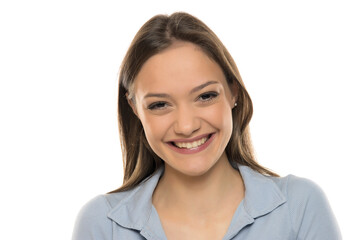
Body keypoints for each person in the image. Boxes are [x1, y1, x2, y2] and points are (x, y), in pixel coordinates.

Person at [72, 12, 341, 240]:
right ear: (135, 109)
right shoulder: (102, 225)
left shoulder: (300, 207)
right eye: (159, 105)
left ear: (233, 92)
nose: (186, 126)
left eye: (205, 96)